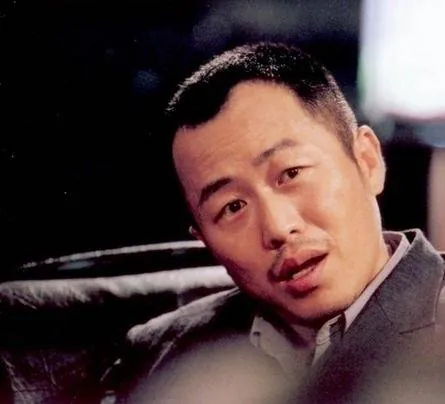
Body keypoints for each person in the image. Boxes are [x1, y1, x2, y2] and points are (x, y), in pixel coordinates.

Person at [104, 43, 445, 403]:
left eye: (291, 173)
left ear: (367, 161)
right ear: (203, 239)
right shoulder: (161, 355)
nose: (278, 228)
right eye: (232, 207)